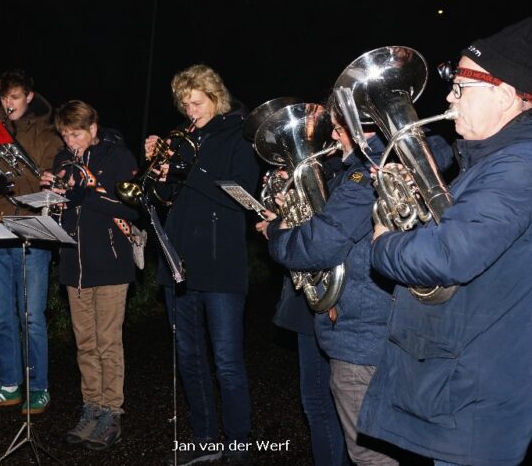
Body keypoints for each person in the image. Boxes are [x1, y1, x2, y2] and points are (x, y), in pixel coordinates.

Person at [359, 17, 532, 465]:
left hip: (475, 394)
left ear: (503, 94)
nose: (449, 98)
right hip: (458, 385)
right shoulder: (501, 161)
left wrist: (384, 243)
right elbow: (461, 233)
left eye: (460, 88)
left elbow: (448, 254)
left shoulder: (523, 165)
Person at [260, 106, 453, 465]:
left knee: (370, 455)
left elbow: (317, 246)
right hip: (392, 331)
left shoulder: (367, 175)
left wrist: (279, 231)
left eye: (339, 128)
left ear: (364, 131)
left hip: (362, 337)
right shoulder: (393, 166)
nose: (332, 136)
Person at [145, 64, 260, 466]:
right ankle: (203, 438)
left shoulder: (239, 133)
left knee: (227, 360)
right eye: (184, 103)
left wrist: (187, 169)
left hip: (221, 263)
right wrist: (159, 172)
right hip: (179, 260)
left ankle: (239, 442)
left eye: (197, 102)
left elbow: (240, 194)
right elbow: (161, 196)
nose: (190, 110)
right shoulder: (182, 139)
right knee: (188, 355)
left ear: (215, 97)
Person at [39, 100, 139, 450]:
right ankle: (91, 407)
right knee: (85, 345)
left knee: (108, 343)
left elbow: (131, 208)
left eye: (77, 133)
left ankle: (112, 412)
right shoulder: (62, 160)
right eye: (65, 135)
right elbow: (61, 216)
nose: (71, 142)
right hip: (73, 266)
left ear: (94, 128)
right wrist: (50, 196)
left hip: (111, 263)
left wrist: (87, 195)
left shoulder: (119, 157)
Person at [0, 69, 63, 415]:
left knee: (31, 316)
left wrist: (16, 182)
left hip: (31, 231)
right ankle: (8, 385)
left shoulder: (48, 133)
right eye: (4, 98)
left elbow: (49, 179)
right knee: (1, 317)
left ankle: (38, 386)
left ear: (29, 98)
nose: (9, 104)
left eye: (16, 98)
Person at [257, 141, 350, 466]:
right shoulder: (320, 169)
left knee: (331, 402)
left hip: (337, 298)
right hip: (309, 297)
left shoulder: (347, 174)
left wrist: (284, 225)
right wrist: (280, 219)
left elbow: (321, 236)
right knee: (316, 399)